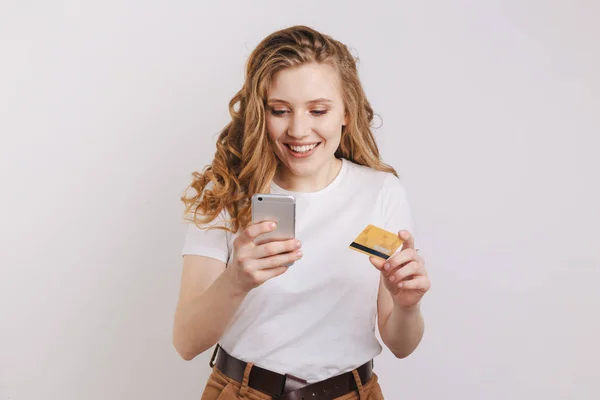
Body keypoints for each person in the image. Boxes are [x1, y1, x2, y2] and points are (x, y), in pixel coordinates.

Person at [173, 25, 431, 400]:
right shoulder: (228, 193)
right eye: (280, 110)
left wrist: (408, 305)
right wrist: (236, 281)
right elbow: (185, 342)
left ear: (347, 112)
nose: (298, 129)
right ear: (261, 114)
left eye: (318, 110)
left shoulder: (380, 193)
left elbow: (402, 344)